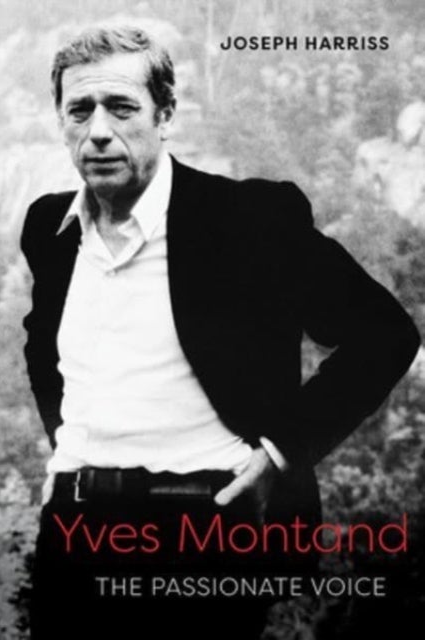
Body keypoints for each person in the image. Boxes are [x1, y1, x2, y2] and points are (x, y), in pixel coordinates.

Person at [21, 25, 420, 640]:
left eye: (121, 107)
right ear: (60, 120)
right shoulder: (50, 226)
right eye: (80, 110)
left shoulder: (246, 219)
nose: (98, 130)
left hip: (203, 529)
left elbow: (383, 333)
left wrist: (279, 453)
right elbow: (45, 357)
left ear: (165, 114)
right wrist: (71, 463)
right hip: (73, 533)